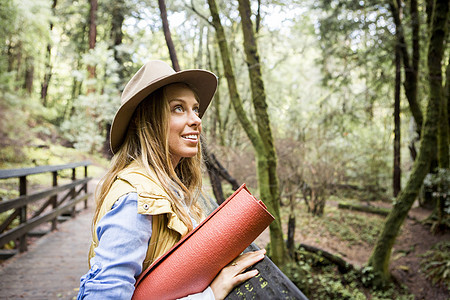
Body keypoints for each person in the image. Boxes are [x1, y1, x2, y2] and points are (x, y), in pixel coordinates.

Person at [77, 60, 265, 300]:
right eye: (178, 108)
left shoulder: (173, 187)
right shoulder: (135, 199)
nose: (197, 120)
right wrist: (210, 295)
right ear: (144, 121)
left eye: (195, 109)